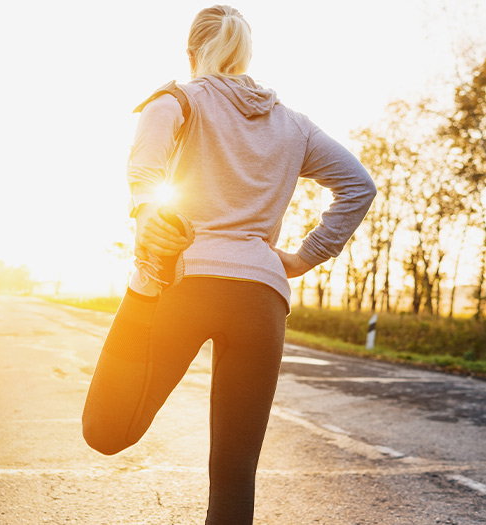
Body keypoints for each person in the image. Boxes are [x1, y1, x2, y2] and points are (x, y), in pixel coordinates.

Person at [82, 5, 377, 524]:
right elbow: (360, 185)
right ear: (245, 57)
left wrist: (148, 212)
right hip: (261, 298)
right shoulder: (294, 124)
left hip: (183, 284)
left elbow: (146, 163)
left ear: (191, 51)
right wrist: (304, 258)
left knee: (105, 431)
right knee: (235, 474)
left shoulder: (177, 99)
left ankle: (143, 289)